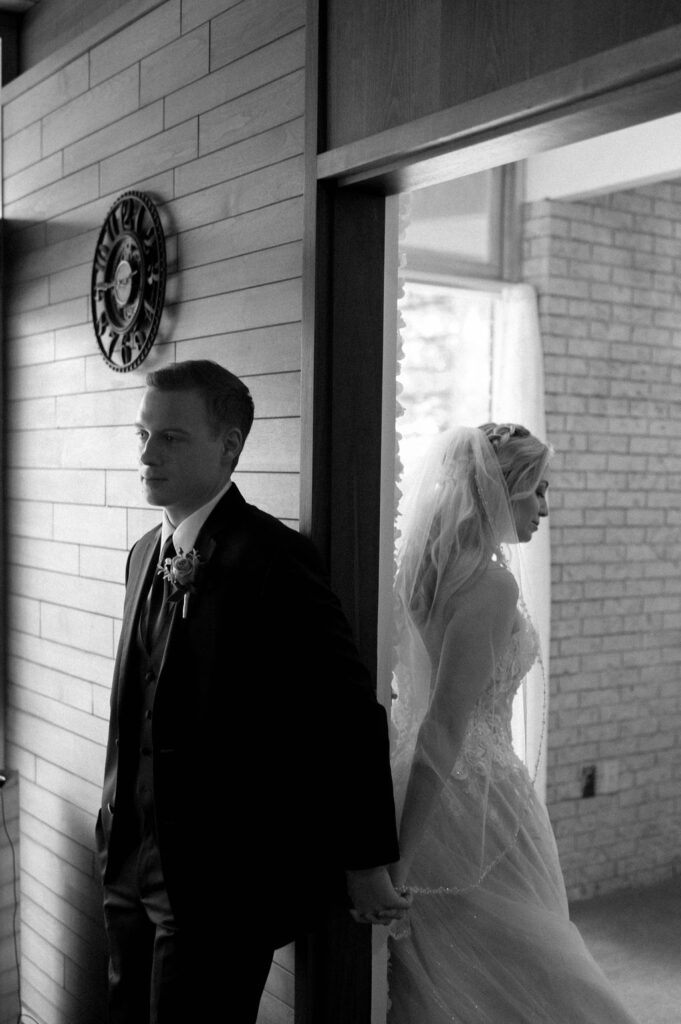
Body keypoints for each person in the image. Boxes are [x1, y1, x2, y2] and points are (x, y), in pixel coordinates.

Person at [95, 359, 410, 1024]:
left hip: (220, 888)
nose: (148, 454)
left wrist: (364, 859)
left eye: (171, 438)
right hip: (127, 868)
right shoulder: (139, 556)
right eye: (143, 435)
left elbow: (345, 714)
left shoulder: (274, 559)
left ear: (229, 446)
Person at [387, 423, 638, 1023]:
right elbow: (446, 727)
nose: (545, 509)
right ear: (505, 492)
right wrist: (400, 858)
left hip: (410, 782)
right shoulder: (490, 584)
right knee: (530, 969)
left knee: (451, 964)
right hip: (473, 802)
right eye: (539, 491)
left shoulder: (419, 569)